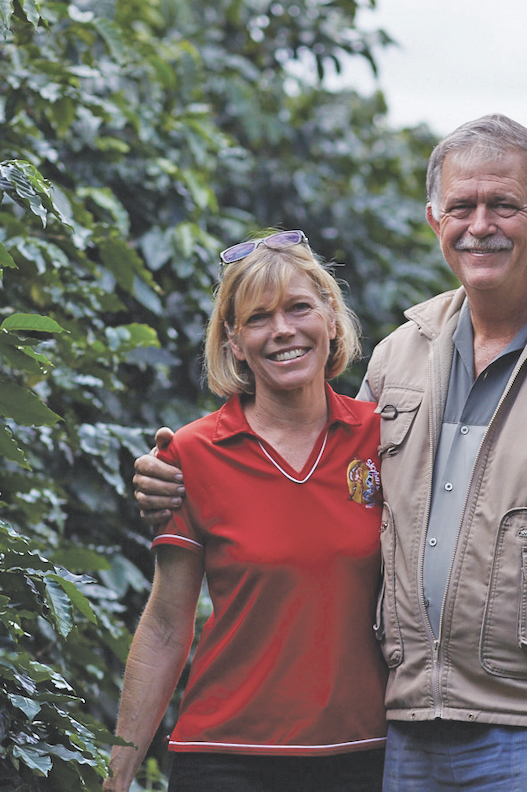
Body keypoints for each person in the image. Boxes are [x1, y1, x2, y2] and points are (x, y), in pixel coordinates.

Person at [134, 115, 527, 792]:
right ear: (434, 219)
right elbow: (319, 472)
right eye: (461, 207)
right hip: (408, 730)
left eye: (504, 205)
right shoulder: (402, 354)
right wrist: (172, 476)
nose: (480, 226)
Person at [107, 231, 388, 792]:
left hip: (364, 754)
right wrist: (116, 780)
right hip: (225, 757)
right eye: (258, 318)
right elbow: (166, 625)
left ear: (331, 319)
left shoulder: (383, 436)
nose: (282, 330)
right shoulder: (190, 453)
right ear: (233, 341)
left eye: (299, 307)